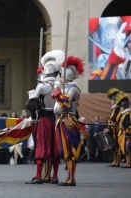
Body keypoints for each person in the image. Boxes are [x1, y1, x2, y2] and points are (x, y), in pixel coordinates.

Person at [25, 50, 64, 185]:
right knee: (55, 147)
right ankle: (54, 176)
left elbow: (31, 104)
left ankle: (39, 176)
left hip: (44, 119)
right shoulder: (61, 85)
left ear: (46, 72)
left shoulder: (41, 85)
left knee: (41, 146)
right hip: (57, 119)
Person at [53, 55, 85, 186]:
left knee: (69, 149)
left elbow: (65, 103)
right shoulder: (66, 87)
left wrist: (58, 93)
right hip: (62, 120)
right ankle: (69, 177)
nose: (61, 76)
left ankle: (71, 178)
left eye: (63, 74)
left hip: (68, 120)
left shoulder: (72, 89)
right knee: (63, 149)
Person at [104, 88, 122, 167]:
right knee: (113, 146)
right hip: (112, 129)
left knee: (116, 146)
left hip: (116, 129)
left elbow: (114, 119)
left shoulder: (117, 108)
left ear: (114, 100)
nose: (110, 101)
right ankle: (115, 160)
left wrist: (109, 127)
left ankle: (117, 161)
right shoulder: (114, 108)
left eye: (111, 100)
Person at [116, 92, 131, 168]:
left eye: (121, 107)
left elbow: (127, 124)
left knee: (127, 149)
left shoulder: (127, 114)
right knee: (125, 149)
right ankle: (128, 162)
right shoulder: (124, 114)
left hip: (126, 133)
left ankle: (129, 162)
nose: (120, 108)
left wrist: (123, 127)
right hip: (122, 133)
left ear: (124, 107)